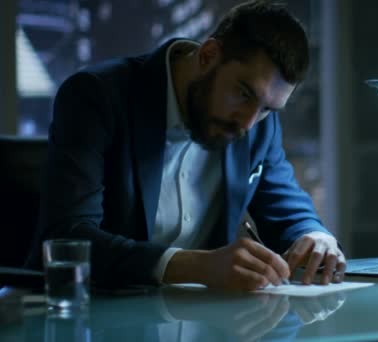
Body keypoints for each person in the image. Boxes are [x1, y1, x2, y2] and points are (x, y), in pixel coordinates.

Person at [33, 0, 345, 291]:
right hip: (88, 314)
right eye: (244, 94)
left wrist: (315, 236)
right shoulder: (96, 96)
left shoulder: (257, 123)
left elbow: (285, 205)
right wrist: (196, 266)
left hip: (196, 320)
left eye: (267, 109)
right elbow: (68, 237)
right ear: (208, 56)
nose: (248, 123)